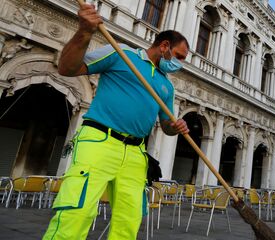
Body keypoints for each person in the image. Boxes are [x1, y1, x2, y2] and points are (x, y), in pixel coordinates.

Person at [43, 3, 189, 239]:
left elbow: (166, 127)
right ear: (164, 46)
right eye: (179, 57)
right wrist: (85, 32)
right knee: (76, 212)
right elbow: (67, 68)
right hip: (99, 141)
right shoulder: (120, 53)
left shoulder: (167, 86)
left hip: (136, 154)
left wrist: (176, 127)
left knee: (129, 220)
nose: (180, 64)